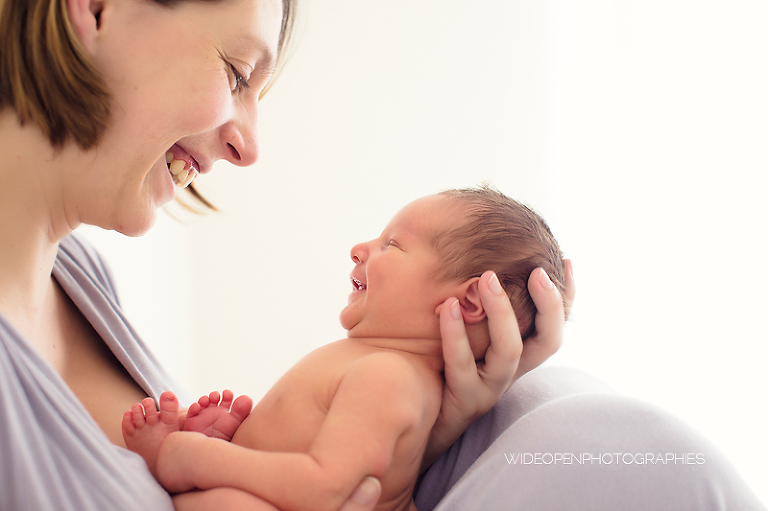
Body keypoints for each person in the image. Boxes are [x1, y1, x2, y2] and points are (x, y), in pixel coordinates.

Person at [0, 0, 573, 509]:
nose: (248, 147)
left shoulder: (82, 279)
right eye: (237, 73)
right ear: (98, 8)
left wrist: (433, 433)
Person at [121, 186, 570, 511]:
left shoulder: (388, 377)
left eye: (392, 244)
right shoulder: (379, 367)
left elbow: (326, 489)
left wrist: (190, 457)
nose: (360, 249)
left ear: (469, 301)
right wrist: (237, 442)